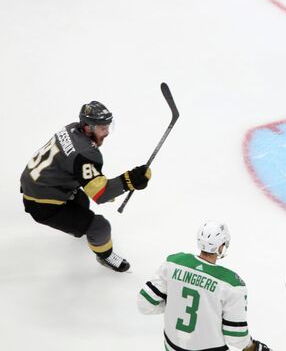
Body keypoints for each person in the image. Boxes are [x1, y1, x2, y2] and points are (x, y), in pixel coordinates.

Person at [20, 101, 151, 272]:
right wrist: (130, 180)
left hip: (35, 183)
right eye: (102, 128)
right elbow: (101, 194)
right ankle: (105, 256)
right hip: (42, 204)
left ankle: (77, 227)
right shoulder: (85, 153)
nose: (107, 132)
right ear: (88, 128)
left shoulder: (71, 128)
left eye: (108, 126)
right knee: (100, 226)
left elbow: (72, 166)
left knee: (82, 201)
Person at [137, 221, 271, 351]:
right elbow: (235, 336)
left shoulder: (174, 263)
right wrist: (252, 347)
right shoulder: (232, 285)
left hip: (171, 346)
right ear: (220, 247)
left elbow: (144, 304)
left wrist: (173, 304)